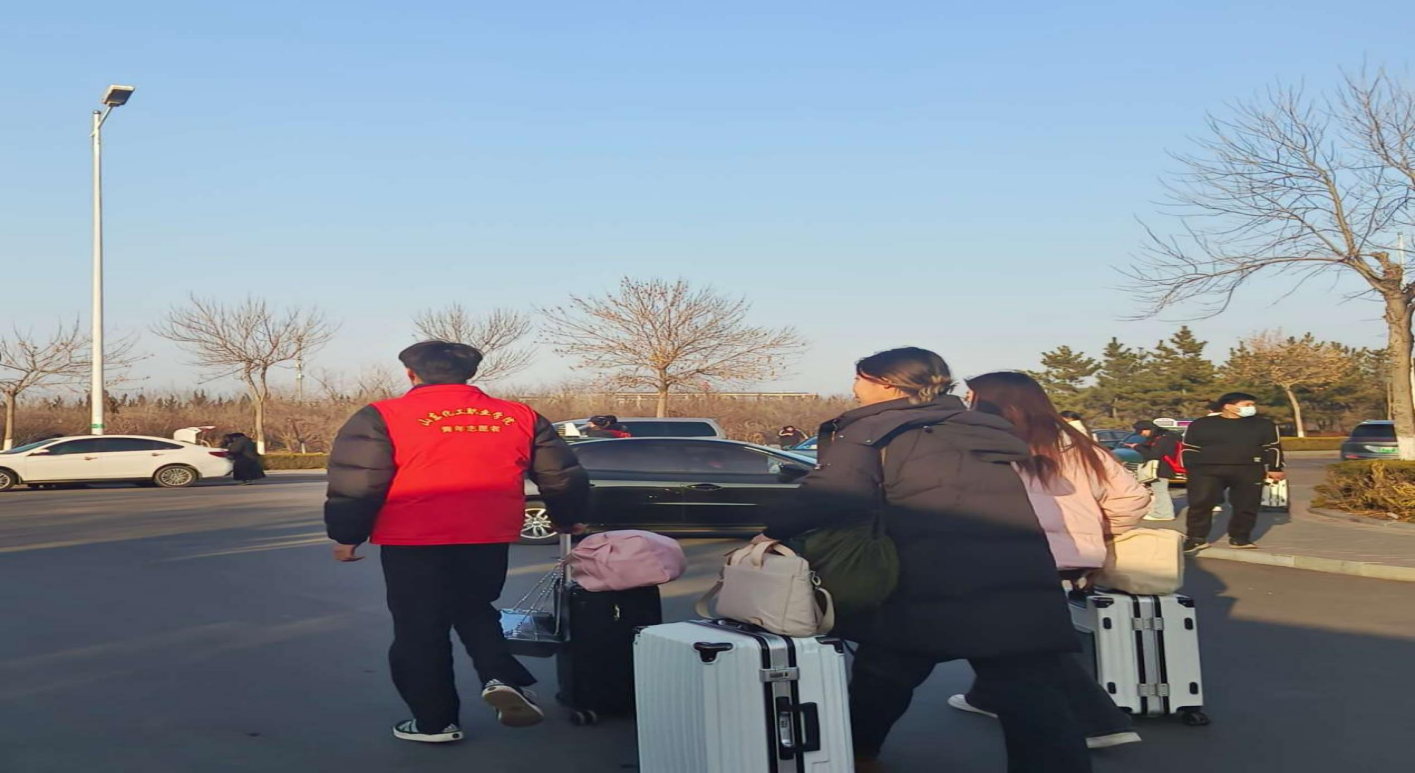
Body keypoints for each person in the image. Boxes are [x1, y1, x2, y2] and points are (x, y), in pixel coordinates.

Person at [764, 347, 1092, 773]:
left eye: (860, 377)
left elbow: (831, 493)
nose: (854, 386)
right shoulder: (979, 428)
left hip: (920, 577)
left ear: (887, 385)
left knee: (882, 674)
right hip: (1013, 575)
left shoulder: (873, 430)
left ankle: (855, 755)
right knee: (1031, 694)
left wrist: (770, 532)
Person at [324, 341, 590, 744]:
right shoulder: (519, 416)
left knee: (418, 627)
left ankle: (435, 723)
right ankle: (501, 677)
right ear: (470, 373)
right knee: (474, 607)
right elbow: (561, 474)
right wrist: (568, 517)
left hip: (412, 537)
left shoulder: (382, 415)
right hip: (486, 534)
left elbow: (359, 480)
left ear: (411, 373)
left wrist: (347, 535)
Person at [958, 372, 1150, 749]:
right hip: (1072, 560)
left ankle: (1101, 722)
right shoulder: (1080, 445)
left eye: (972, 396)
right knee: (1013, 633)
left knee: (1032, 644)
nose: (967, 403)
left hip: (1016, 556)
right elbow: (1132, 498)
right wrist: (1096, 532)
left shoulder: (991, 446)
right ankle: (986, 697)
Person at [1182, 392, 1284, 552]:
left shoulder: (1264, 425)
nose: (1251, 408)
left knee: (1247, 505)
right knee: (1200, 503)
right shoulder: (1201, 424)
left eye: (1252, 405)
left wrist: (1275, 468)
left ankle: (1240, 538)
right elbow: (1189, 448)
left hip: (1249, 469)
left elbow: (1273, 447)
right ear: (1228, 406)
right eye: (1247, 405)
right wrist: (1190, 468)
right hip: (1207, 470)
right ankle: (1196, 539)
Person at [1131, 420, 1182, 521]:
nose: (1141, 434)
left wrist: (1137, 447)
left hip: (1161, 468)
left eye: (1141, 431)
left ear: (1149, 429)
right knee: (1159, 490)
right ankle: (1160, 511)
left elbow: (1154, 455)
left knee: (1160, 491)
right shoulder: (1167, 436)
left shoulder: (1162, 439)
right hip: (1164, 467)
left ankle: (1164, 514)